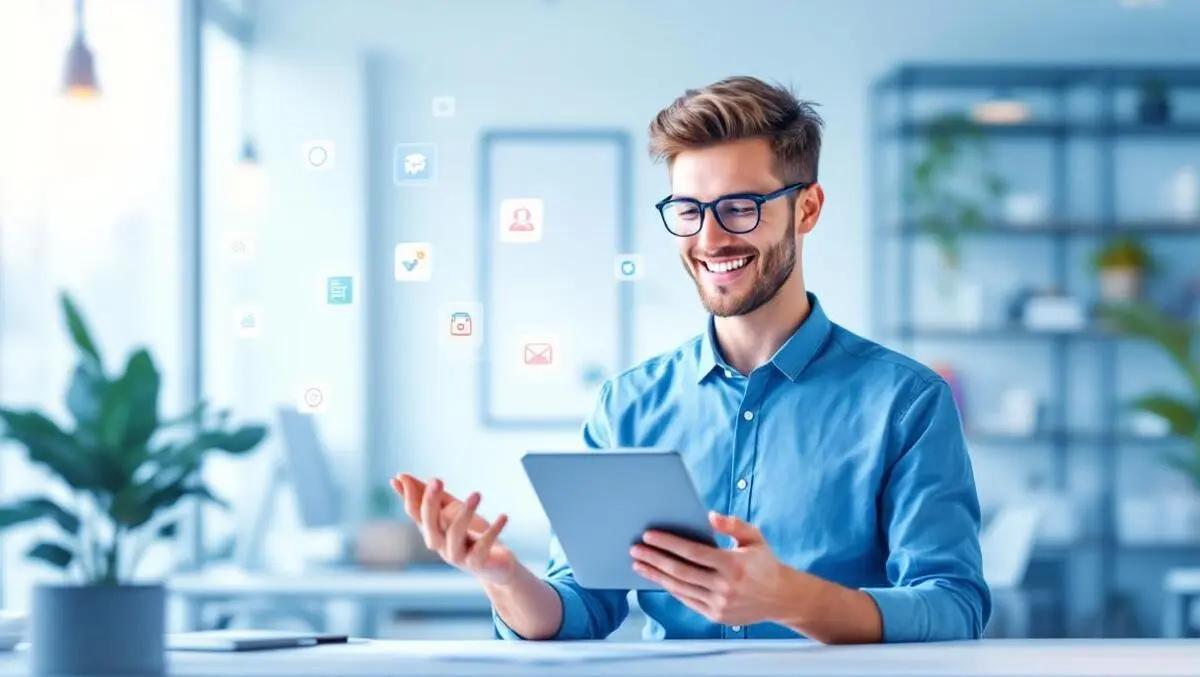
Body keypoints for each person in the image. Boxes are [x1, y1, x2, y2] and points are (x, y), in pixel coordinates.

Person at [393, 75, 990, 644]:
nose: (708, 239)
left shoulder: (905, 402)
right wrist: (505, 579)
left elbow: (953, 605)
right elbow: (587, 604)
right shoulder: (629, 404)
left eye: (739, 208)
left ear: (806, 209)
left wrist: (790, 597)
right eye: (688, 210)